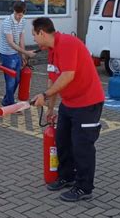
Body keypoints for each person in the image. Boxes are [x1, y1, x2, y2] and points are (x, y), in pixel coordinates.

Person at [31, 18, 105, 202]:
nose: (33, 38)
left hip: (88, 103)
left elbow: (67, 76)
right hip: (70, 103)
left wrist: (45, 95)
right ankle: (67, 176)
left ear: (42, 32)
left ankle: (84, 187)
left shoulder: (67, 44)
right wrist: (50, 108)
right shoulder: (51, 51)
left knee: (82, 147)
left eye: (34, 34)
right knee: (62, 141)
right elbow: (52, 79)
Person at [0, 1, 35, 107]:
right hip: (6, 53)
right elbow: (11, 42)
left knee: (17, 79)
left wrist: (23, 55)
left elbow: (21, 38)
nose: (19, 17)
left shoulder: (23, 20)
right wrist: (26, 52)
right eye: (17, 14)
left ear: (24, 12)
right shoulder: (7, 22)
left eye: (21, 14)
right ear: (14, 11)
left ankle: (6, 100)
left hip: (15, 53)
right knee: (10, 81)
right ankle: (9, 102)